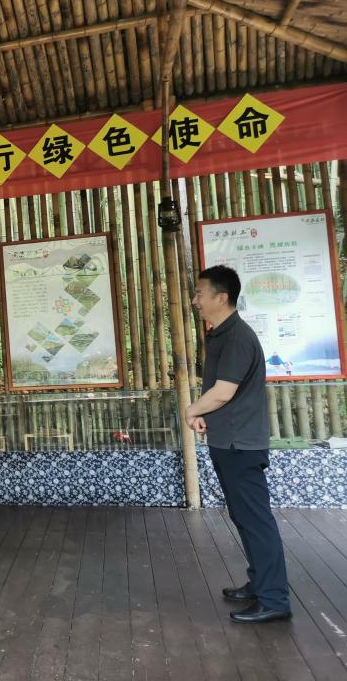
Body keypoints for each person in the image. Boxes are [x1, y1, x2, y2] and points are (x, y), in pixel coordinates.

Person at [187, 264, 291, 623]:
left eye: (200, 293)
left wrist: (191, 410)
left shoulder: (237, 337)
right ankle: (260, 583)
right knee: (244, 518)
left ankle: (274, 599)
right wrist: (203, 414)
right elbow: (218, 394)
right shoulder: (221, 333)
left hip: (241, 445)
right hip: (229, 440)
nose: (195, 300)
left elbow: (223, 392)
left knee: (255, 521)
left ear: (221, 297)